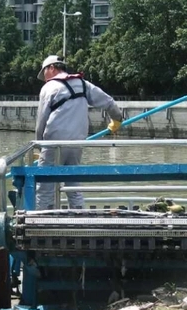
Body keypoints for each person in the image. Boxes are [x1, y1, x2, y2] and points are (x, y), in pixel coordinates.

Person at [34, 55, 123, 210]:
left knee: (45, 187)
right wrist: (117, 120)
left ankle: (40, 221)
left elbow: (41, 122)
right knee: (73, 184)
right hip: (77, 144)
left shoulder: (49, 88)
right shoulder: (82, 84)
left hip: (54, 145)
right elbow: (108, 102)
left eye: (45, 73)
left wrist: (39, 146)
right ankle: (79, 216)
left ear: (52, 68)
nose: (44, 78)